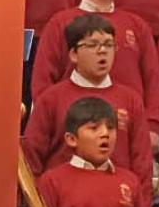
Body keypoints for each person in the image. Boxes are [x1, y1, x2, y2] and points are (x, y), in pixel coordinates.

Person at [33, 0, 159, 149]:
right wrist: (53, 122)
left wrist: (152, 125)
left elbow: (152, 78)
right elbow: (43, 79)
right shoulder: (61, 21)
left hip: (126, 125)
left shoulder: (136, 24)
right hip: (76, 130)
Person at [24, 14, 149, 173]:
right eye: (92, 45)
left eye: (109, 44)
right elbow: (32, 156)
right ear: (74, 54)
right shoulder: (51, 99)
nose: (102, 51)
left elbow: (142, 162)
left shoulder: (131, 99)